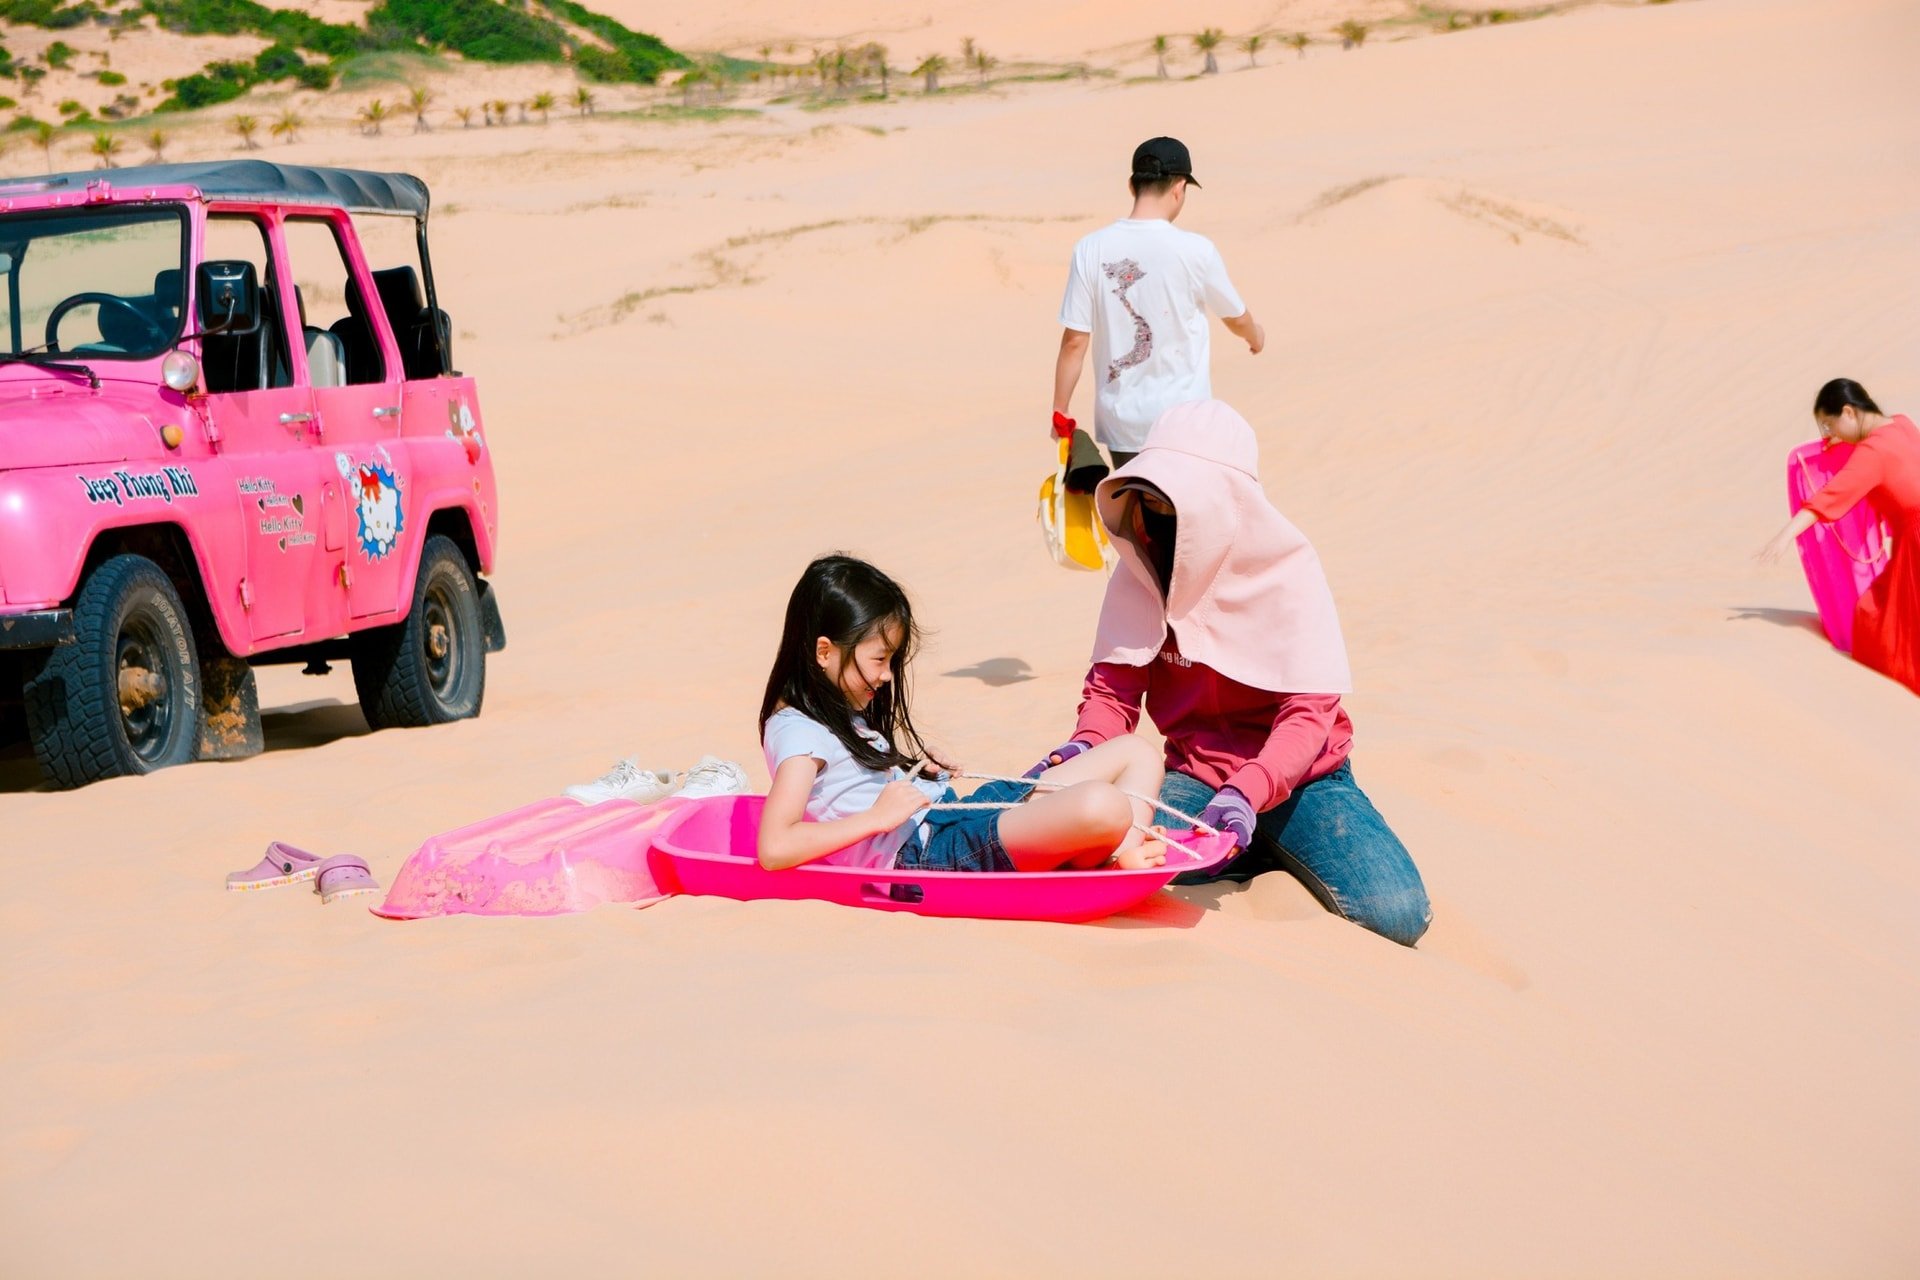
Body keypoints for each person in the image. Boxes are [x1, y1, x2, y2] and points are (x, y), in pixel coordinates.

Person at [1031, 400, 1432, 947]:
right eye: (1146, 498)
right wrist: (1085, 747)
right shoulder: (1139, 571)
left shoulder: (1288, 573)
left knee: (1397, 915)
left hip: (1304, 781)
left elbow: (1308, 715)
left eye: (1172, 502)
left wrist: (1249, 792)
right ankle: (1247, 851)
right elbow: (1112, 693)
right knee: (1098, 861)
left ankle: (1264, 840)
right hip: (1196, 779)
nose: (1154, 517)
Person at [757, 555, 1169, 873]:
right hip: (928, 852)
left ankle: (1121, 849)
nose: (886, 676)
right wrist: (876, 819)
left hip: (949, 817)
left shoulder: (841, 712)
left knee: (1136, 752)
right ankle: (1114, 860)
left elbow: (852, 786)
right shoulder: (798, 733)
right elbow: (775, 848)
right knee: (1102, 804)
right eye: (880, 659)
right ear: (824, 651)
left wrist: (918, 775)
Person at [1051, 137, 1264, 485]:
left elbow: (1074, 341)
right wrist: (1256, 336)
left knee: (1138, 513)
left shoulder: (1090, 248)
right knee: (1184, 512)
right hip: (1184, 423)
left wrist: (1060, 410)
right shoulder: (1196, 250)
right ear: (1179, 188)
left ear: (1132, 185)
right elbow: (1236, 318)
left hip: (1123, 424)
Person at [1760, 378, 1920, 695]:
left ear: (1848, 412)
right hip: (1909, 541)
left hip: (1914, 543)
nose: (1828, 435)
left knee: (1880, 624)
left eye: (1829, 425)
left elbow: (1830, 496)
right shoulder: (1902, 424)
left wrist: (1785, 535)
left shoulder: (1871, 453)